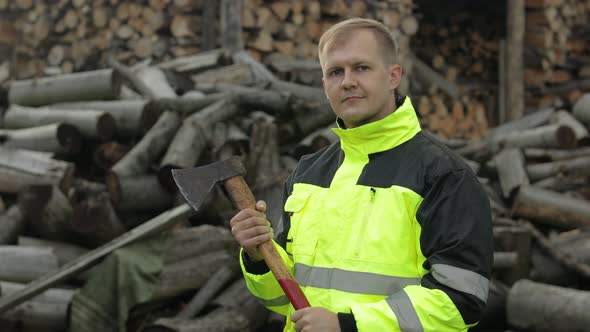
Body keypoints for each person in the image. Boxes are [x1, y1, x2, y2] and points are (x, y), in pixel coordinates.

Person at [230, 17, 493, 332]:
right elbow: (283, 300)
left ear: (393, 75)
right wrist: (257, 255)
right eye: (335, 72)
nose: (348, 81)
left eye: (361, 68)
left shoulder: (443, 175)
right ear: (324, 83)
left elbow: (459, 302)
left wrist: (348, 326)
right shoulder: (308, 172)